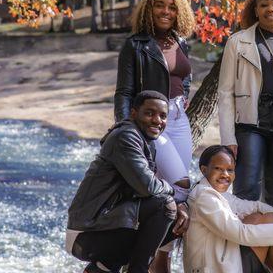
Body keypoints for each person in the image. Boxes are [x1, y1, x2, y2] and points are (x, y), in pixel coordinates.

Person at [114, 0, 195, 271]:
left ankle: (163, 259)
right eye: (160, 5)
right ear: (150, 8)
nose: (166, 11)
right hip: (151, 125)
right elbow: (124, 92)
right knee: (179, 186)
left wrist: (183, 97)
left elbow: (184, 76)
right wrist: (126, 130)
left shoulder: (181, 41)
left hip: (179, 120)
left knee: (174, 191)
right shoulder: (135, 45)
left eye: (172, 7)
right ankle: (146, 258)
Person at [66, 91, 190, 273]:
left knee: (181, 215)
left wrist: (180, 204)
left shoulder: (146, 141)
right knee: (165, 205)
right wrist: (171, 189)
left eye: (163, 116)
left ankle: (101, 268)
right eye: (149, 113)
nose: (157, 120)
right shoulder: (126, 137)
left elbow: (145, 189)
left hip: (110, 224)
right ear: (133, 113)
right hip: (88, 230)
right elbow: (148, 186)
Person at [217, 0, 273, 213]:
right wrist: (228, 137)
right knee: (246, 191)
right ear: (255, 9)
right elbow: (225, 93)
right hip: (249, 125)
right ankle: (244, 248)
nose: (270, 9)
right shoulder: (238, 42)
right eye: (264, 5)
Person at [184, 145, 273, 273]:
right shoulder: (204, 197)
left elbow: (254, 206)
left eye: (230, 170)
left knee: (267, 216)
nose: (225, 175)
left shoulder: (216, 193)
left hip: (223, 262)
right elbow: (240, 233)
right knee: (272, 221)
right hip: (214, 269)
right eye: (218, 169)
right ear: (204, 170)